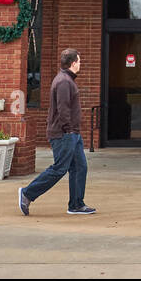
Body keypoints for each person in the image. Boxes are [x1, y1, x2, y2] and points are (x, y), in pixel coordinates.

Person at [19, 49, 94, 216]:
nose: (80, 64)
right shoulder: (64, 82)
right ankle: (27, 194)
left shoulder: (67, 80)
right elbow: (63, 109)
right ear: (74, 63)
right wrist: (68, 130)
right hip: (64, 134)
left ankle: (76, 205)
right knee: (59, 169)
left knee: (80, 167)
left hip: (72, 133)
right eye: (79, 61)